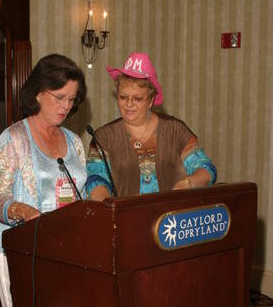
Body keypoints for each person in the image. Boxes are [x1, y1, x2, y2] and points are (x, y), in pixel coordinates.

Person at [0, 53, 87, 307]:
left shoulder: (74, 142)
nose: (65, 106)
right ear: (38, 92)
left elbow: (82, 196)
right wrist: (23, 211)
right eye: (60, 97)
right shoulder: (13, 139)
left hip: (66, 254)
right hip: (21, 254)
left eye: (72, 100)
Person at [86, 52, 216, 199]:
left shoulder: (175, 129)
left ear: (151, 100)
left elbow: (206, 169)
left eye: (138, 98)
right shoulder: (104, 136)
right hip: (126, 218)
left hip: (173, 218)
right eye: (123, 97)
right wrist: (109, 208)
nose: (129, 104)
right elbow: (96, 179)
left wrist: (187, 183)